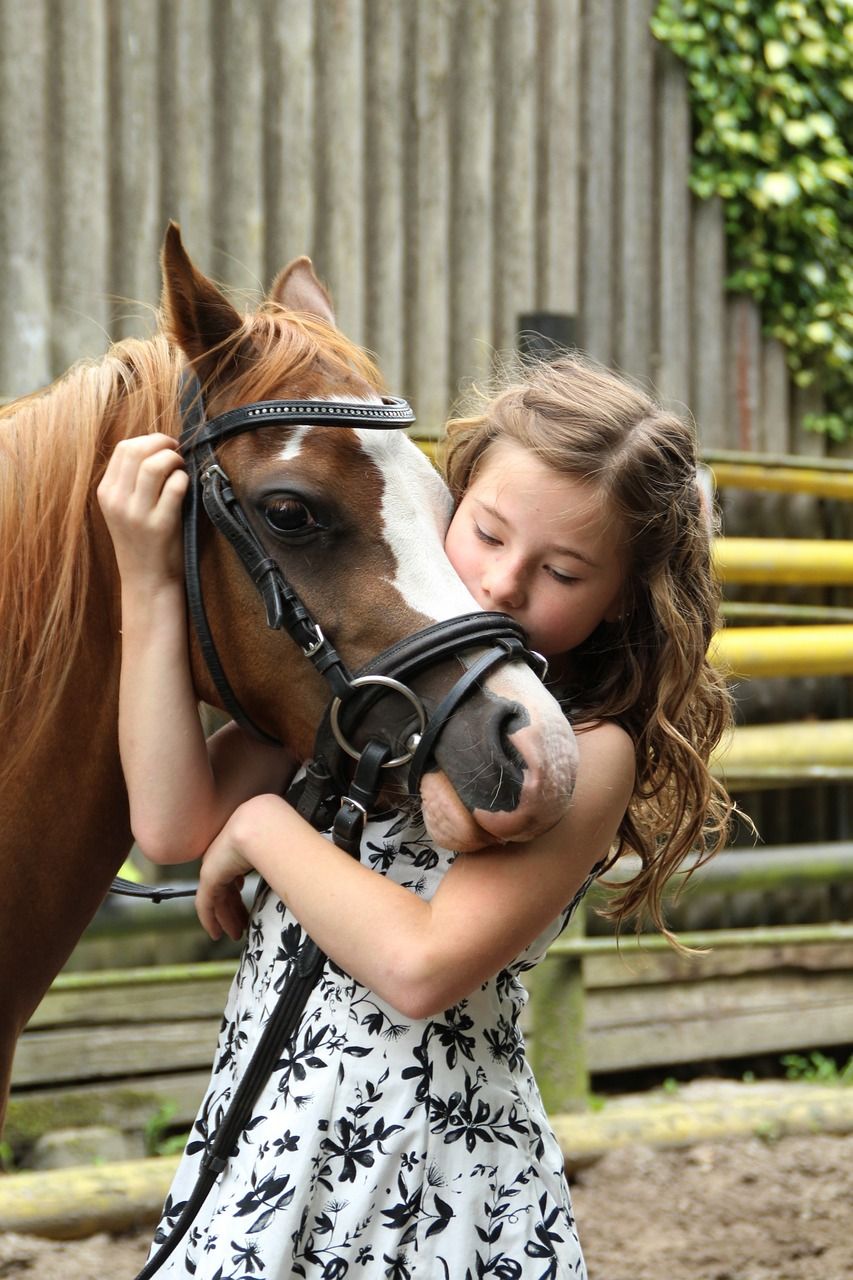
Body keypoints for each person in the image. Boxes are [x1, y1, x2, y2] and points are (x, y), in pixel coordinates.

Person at [97, 353, 734, 1279]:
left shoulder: (589, 748)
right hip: (270, 1143)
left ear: (623, 599)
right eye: (485, 533)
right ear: (444, 499)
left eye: (560, 571)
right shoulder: (363, 690)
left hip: (432, 1179)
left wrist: (262, 831)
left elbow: (421, 966)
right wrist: (147, 582)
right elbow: (169, 825)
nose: (503, 584)